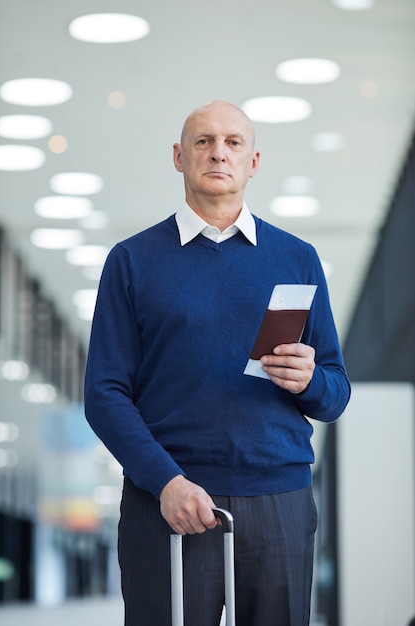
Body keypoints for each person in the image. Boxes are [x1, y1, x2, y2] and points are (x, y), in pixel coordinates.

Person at [84, 100, 351, 626]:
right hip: (166, 500)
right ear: (179, 157)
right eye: (203, 141)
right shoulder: (132, 261)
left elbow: (336, 391)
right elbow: (104, 393)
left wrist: (309, 381)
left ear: (253, 161)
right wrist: (164, 481)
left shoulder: (296, 257)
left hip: (280, 499)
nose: (218, 154)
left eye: (233, 143)